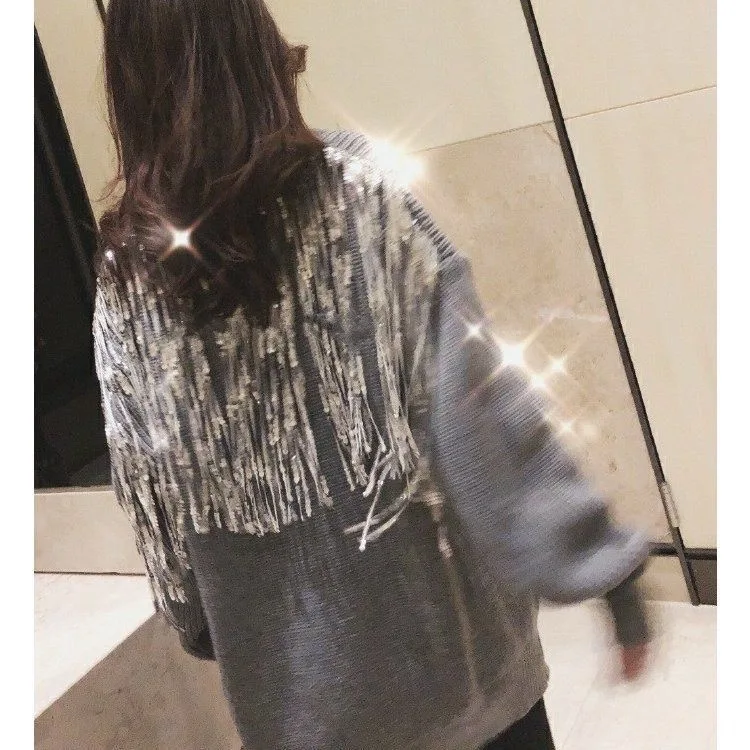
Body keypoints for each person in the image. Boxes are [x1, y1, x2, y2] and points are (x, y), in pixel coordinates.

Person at [94, 2, 651, 748]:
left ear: (130, 83)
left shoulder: (126, 277)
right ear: (255, 44)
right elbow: (482, 413)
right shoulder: (359, 192)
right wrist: (600, 566)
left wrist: (204, 619)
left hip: (300, 715)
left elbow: (150, 488)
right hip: (463, 686)